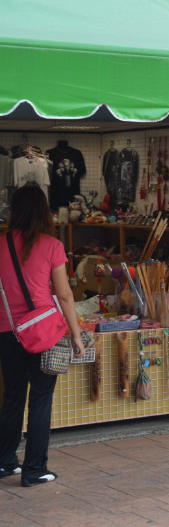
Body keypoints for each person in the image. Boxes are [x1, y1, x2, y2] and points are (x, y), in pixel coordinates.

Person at [0, 184, 85, 487]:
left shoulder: (1, 244)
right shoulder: (52, 245)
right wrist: (76, 334)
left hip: (7, 330)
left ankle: (5, 462)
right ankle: (34, 470)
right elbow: (64, 295)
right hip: (44, 332)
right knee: (40, 399)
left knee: (12, 397)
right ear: (44, 212)